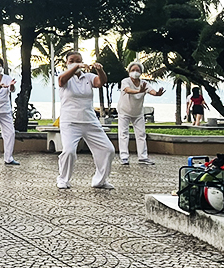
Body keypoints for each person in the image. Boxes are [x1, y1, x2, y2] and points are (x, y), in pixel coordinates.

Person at [57, 51, 115, 190]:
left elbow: (101, 82)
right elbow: (61, 81)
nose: (75, 63)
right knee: (69, 151)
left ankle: (99, 181)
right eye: (72, 60)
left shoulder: (88, 77)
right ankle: (63, 179)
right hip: (70, 122)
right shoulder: (64, 76)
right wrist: (74, 68)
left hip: (90, 121)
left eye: (78, 60)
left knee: (108, 149)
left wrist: (100, 70)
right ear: (66, 63)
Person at [117, 62, 164, 166]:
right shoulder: (125, 81)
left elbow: (152, 91)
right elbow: (127, 90)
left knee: (141, 135)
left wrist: (157, 94)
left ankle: (143, 157)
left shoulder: (144, 84)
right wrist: (138, 91)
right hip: (124, 111)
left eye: (137, 70)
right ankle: (124, 157)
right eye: (133, 70)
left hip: (138, 113)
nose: (135, 72)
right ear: (129, 72)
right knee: (123, 134)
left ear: (141, 72)